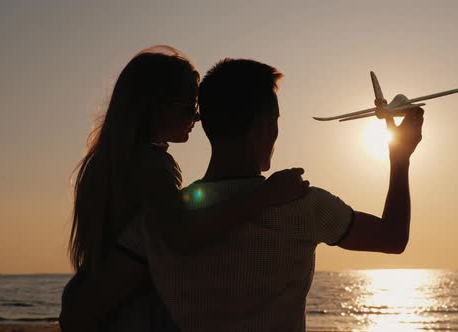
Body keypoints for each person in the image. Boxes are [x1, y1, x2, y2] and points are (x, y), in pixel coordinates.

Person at [115, 58, 425, 331]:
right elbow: (393, 238)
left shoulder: (160, 221)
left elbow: (87, 305)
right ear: (266, 127)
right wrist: (400, 158)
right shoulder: (303, 204)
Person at [59, 48, 309, 331]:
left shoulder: (104, 162)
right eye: (189, 107)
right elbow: (180, 235)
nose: (197, 117)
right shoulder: (153, 166)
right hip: (138, 312)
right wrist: (266, 197)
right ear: (155, 107)